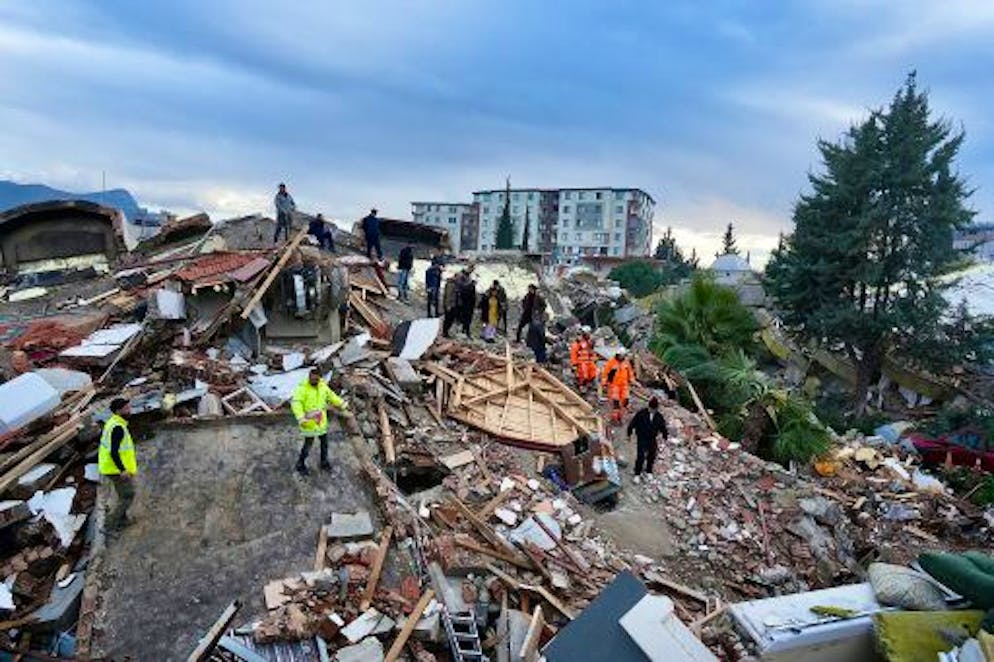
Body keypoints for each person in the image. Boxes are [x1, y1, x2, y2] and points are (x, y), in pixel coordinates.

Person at [290, 369, 349, 475]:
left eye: (316, 379)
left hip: (321, 422)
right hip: (309, 423)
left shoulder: (322, 386)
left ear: (319, 378)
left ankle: (324, 462)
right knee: (308, 445)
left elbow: (331, 396)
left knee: (324, 444)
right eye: (312, 378)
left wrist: (342, 403)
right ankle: (300, 464)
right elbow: (296, 403)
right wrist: (300, 417)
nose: (314, 380)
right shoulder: (302, 388)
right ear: (309, 376)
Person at [99, 398, 137, 532]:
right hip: (114, 469)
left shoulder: (114, 422)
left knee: (123, 495)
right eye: (126, 408)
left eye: (129, 407)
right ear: (118, 411)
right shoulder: (118, 428)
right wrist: (122, 470)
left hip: (110, 467)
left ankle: (122, 521)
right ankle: (108, 526)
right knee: (128, 495)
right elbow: (114, 452)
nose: (129, 410)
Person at [627, 397, 668, 481]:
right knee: (641, 456)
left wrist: (665, 436)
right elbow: (633, 423)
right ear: (648, 407)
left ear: (656, 408)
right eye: (651, 409)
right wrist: (629, 433)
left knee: (651, 455)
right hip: (641, 437)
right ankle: (637, 473)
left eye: (654, 409)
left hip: (652, 438)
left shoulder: (659, 416)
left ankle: (649, 471)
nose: (652, 411)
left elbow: (662, 427)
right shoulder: (641, 413)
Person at [601, 350, 634, 425]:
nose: (622, 357)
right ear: (617, 355)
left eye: (623, 355)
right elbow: (605, 374)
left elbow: (630, 373)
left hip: (624, 385)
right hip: (614, 385)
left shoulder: (626, 363)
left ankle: (620, 417)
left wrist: (632, 380)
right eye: (620, 355)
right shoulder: (611, 363)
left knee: (625, 401)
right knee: (615, 402)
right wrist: (604, 384)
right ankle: (614, 419)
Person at [570, 326, 598, 393]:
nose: (589, 335)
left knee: (593, 371)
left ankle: (590, 383)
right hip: (581, 362)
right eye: (587, 334)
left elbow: (591, 352)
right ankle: (582, 385)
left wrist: (594, 358)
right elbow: (573, 353)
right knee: (584, 374)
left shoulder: (589, 342)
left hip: (589, 361)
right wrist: (574, 364)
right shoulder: (578, 343)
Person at [442, 270, 465, 337]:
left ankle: (447, 331)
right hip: (450, 304)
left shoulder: (456, 284)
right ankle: (445, 332)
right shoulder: (451, 284)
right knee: (448, 319)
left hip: (454, 304)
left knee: (451, 319)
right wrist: (448, 305)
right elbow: (448, 295)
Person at [458, 269, 477, 337]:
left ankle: (464, 329)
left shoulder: (463, 285)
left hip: (465, 304)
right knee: (467, 318)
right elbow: (473, 296)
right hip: (468, 305)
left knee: (465, 317)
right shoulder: (469, 286)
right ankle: (466, 330)